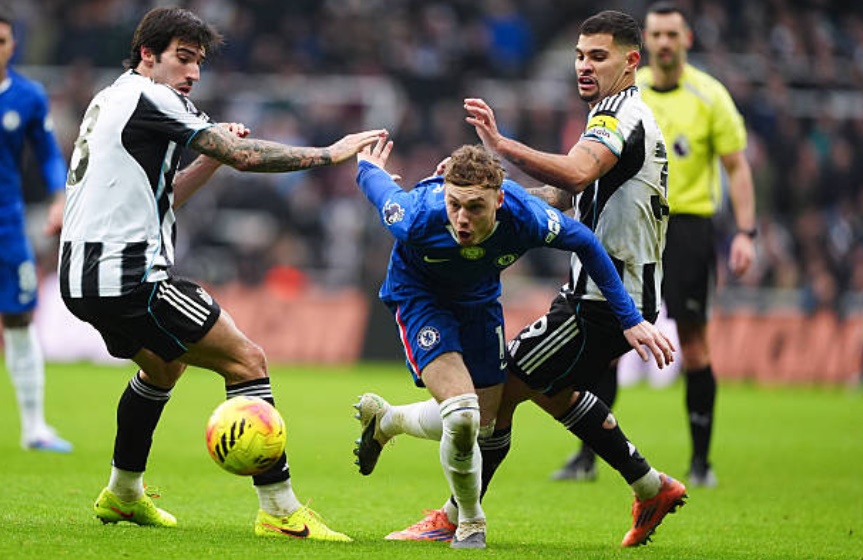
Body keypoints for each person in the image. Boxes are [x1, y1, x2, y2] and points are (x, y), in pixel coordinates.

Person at [58, 6, 385, 541]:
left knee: (163, 369)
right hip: (129, 276)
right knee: (247, 360)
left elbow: (165, 199)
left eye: (199, 63)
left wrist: (209, 157)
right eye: (183, 59)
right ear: (148, 54)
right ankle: (280, 511)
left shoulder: (111, 99)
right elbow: (245, 156)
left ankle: (122, 494)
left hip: (83, 279)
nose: (193, 73)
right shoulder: (152, 97)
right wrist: (330, 153)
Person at [363, 10, 688, 547]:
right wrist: (487, 194)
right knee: (549, 389)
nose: (584, 66)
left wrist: (501, 146)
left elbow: (577, 173)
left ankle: (454, 514)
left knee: (496, 395)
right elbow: (563, 200)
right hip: (612, 290)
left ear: (632, 62)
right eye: (580, 55)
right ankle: (649, 485)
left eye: (598, 57)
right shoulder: (628, 115)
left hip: (602, 295)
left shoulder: (615, 116)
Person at [553, 1, 756, 488]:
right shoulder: (624, 98)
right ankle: (586, 456)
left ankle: (701, 462)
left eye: (672, 34)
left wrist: (746, 232)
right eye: (657, 34)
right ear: (643, 47)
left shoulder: (710, 97)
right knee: (606, 342)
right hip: (630, 229)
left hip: (687, 227)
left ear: (686, 40)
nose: (665, 42)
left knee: (694, 341)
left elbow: (736, 166)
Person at [0, 6, 72, 453]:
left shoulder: (27, 96)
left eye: (2, 40)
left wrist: (58, 196)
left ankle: (34, 428)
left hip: (7, 224)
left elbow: (48, 153)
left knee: (20, 315)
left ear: (12, 44)